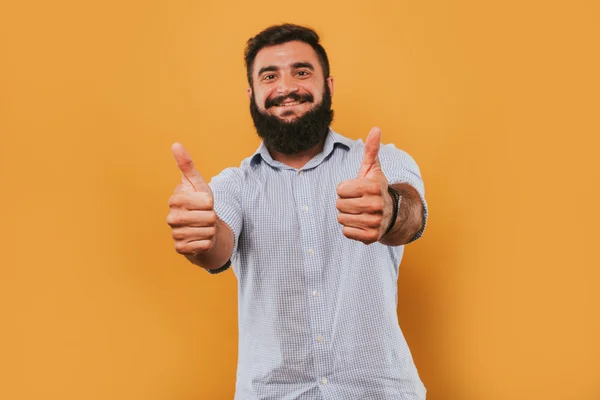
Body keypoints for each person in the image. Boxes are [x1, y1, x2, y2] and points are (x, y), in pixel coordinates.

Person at [167, 23, 428, 400]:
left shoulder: (383, 163)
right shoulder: (233, 185)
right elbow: (216, 246)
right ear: (252, 93)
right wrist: (200, 235)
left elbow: (411, 215)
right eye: (269, 76)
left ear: (329, 85)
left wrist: (390, 209)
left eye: (301, 72)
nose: (286, 87)